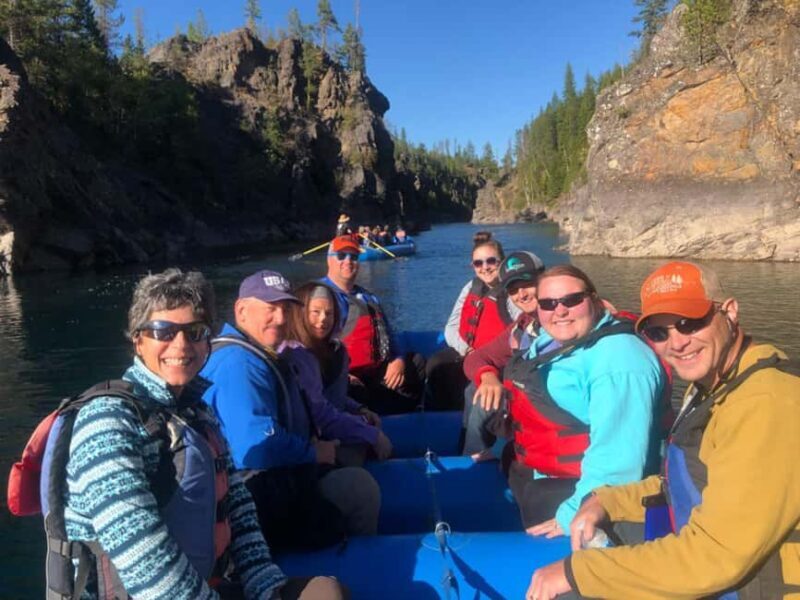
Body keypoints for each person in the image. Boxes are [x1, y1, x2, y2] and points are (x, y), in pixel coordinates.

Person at [57, 268, 345, 600]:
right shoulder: (107, 423)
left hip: (208, 586)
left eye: (194, 332)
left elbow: (238, 509)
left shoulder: (197, 414)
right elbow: (144, 560)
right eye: (163, 331)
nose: (181, 345)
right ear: (138, 340)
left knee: (327, 591)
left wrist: (265, 585)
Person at [528, 261, 800, 600]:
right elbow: (687, 479)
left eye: (691, 323)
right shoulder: (711, 382)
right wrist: (606, 500)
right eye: (659, 332)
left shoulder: (766, 402)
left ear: (729, 312)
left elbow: (715, 556)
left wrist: (577, 573)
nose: (678, 343)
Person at [200, 270, 380, 551]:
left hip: (272, 483)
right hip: (257, 501)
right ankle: (352, 569)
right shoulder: (239, 364)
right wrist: (314, 452)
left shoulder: (256, 355)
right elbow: (256, 445)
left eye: (285, 309)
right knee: (360, 489)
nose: (281, 318)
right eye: (270, 308)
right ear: (242, 311)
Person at [503, 264, 666, 537]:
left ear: (595, 301)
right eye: (548, 303)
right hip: (543, 476)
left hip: (585, 497)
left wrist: (571, 514)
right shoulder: (552, 341)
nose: (560, 310)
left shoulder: (620, 360)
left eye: (572, 300)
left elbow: (618, 462)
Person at [284, 281, 393, 466]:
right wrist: (372, 435)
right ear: (301, 314)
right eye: (315, 312)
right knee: (363, 451)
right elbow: (321, 413)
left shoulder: (332, 351)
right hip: (312, 443)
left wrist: (358, 409)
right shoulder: (297, 355)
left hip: (330, 426)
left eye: (329, 313)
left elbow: (331, 397)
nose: (323, 319)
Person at [322, 235, 425, 414]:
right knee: (350, 390)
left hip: (375, 372)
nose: (348, 261)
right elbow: (310, 348)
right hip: (344, 377)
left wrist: (398, 360)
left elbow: (389, 334)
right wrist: (341, 375)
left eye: (353, 256)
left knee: (417, 363)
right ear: (329, 260)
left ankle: (404, 418)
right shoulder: (319, 298)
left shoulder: (369, 297)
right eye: (341, 256)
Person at [461, 251, 544, 456]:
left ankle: (475, 459)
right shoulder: (523, 326)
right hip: (525, 397)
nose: (521, 294)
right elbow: (475, 358)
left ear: (545, 280)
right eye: (513, 290)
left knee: (483, 400)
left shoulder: (561, 321)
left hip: (547, 409)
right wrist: (487, 375)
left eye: (527, 284)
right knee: (475, 389)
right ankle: (470, 453)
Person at [425, 231, 520, 410]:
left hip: (495, 359)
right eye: (478, 263)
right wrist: (466, 350)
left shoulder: (512, 293)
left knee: (473, 388)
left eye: (491, 261)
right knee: (436, 365)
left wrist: (482, 357)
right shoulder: (471, 287)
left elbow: (520, 332)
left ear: (502, 261)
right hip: (468, 352)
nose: (485, 267)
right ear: (473, 266)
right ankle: (441, 416)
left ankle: (469, 424)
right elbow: (451, 327)